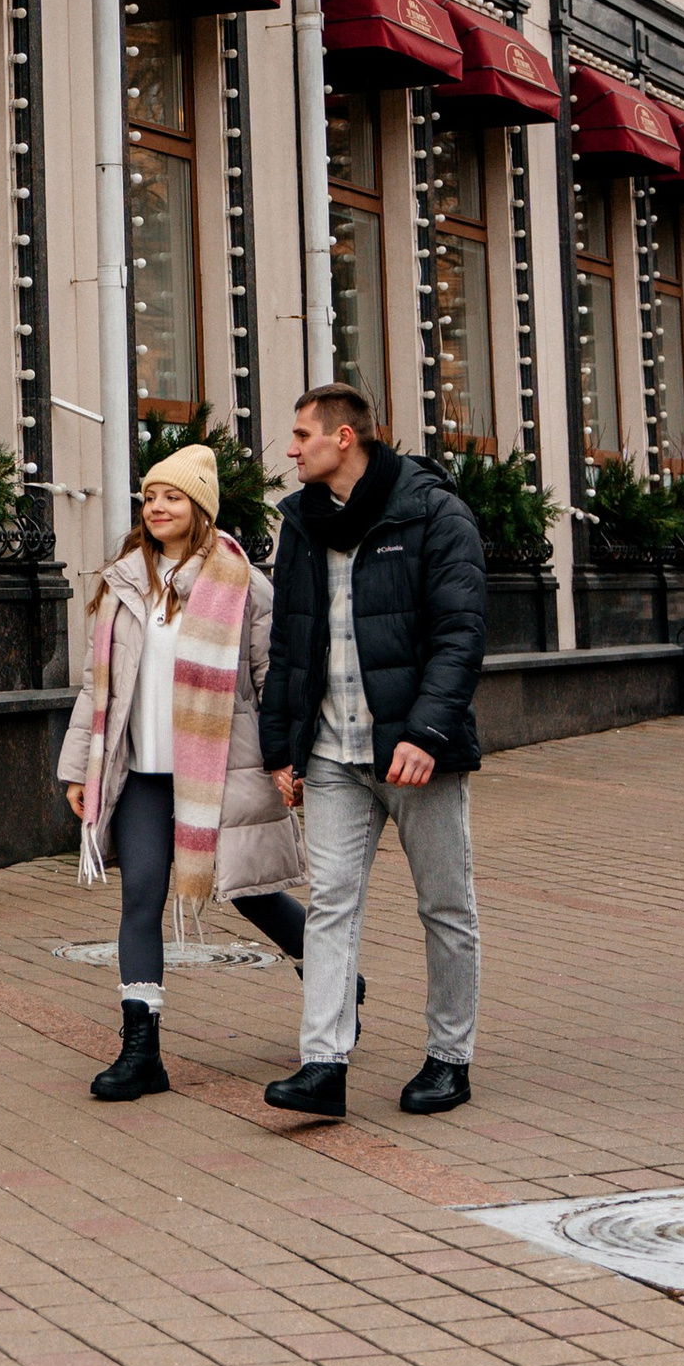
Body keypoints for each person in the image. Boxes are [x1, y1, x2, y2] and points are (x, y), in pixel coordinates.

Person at [58, 441, 313, 1103]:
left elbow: (273, 679)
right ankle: (141, 1051)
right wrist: (78, 768)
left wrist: (286, 759)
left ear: (200, 506)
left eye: (172, 496)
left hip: (221, 771)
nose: (157, 507)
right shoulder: (123, 582)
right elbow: (96, 686)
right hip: (142, 773)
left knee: (251, 892)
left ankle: (329, 973)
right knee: (141, 896)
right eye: (150, 496)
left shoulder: (242, 584)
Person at [258, 382, 485, 1122]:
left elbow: (461, 634)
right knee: (330, 904)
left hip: (414, 755)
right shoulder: (301, 523)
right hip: (331, 752)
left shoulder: (432, 512)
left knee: (444, 907)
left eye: (302, 435)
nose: (291, 449)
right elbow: (288, 644)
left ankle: (449, 1057)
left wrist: (425, 733)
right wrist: (281, 748)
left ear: (343, 438)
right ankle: (323, 1064)